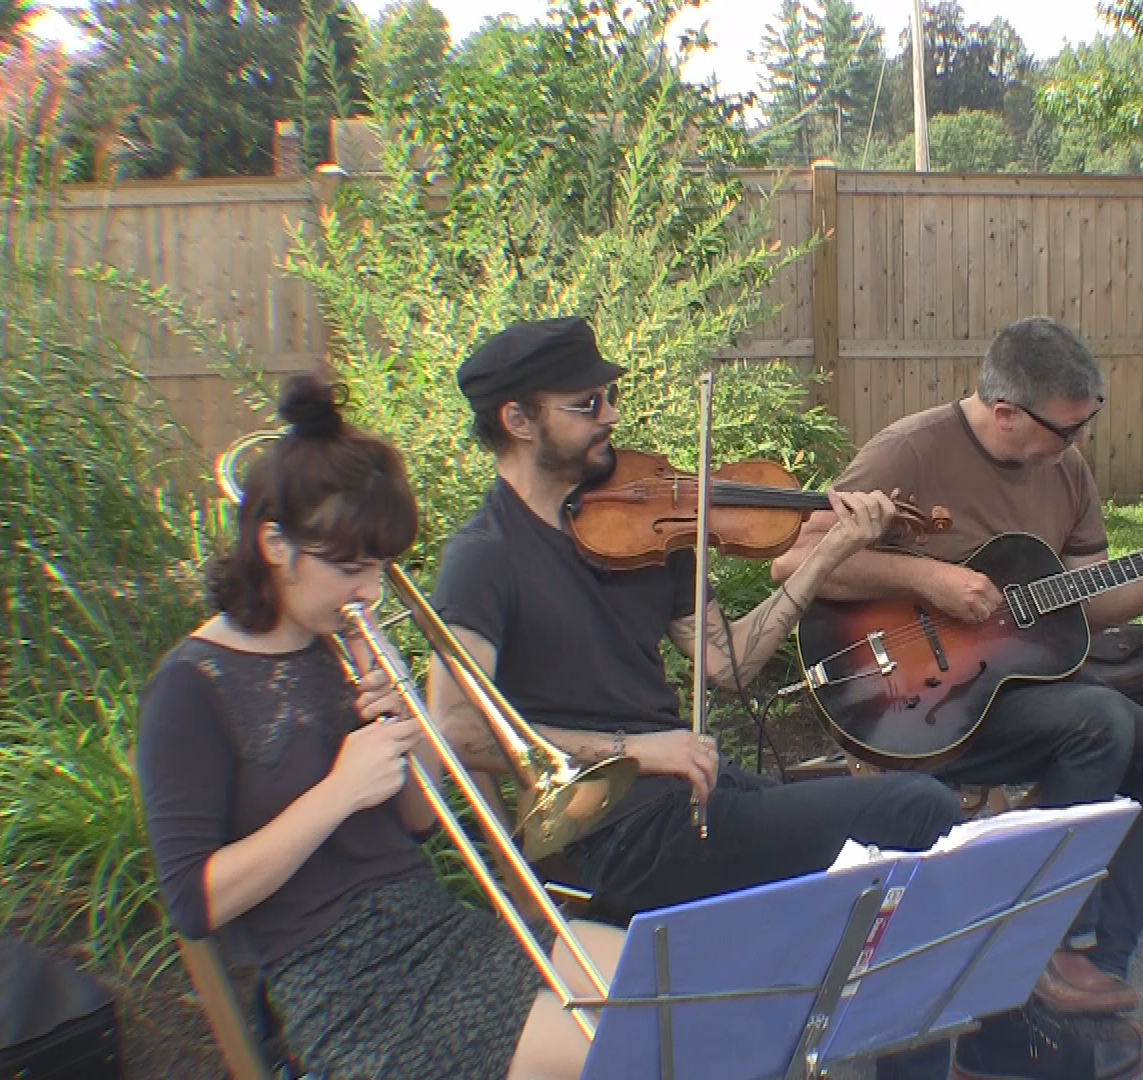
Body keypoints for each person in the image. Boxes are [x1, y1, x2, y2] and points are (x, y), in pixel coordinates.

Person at [770, 315, 1143, 1074]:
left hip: (1008, 688)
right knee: (1098, 720)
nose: (1078, 447)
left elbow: (1093, 601)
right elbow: (795, 565)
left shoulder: (1064, 469)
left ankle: (1087, 974)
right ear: (1006, 413)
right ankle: (1041, 944)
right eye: (1067, 431)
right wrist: (925, 577)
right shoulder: (912, 451)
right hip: (905, 696)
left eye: (1084, 426)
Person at [137, 374, 621, 1080]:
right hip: (347, 993)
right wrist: (337, 791)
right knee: (619, 1054)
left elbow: (419, 818)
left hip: (436, 931)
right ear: (275, 544)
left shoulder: (336, 650)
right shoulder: (190, 687)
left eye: (380, 568)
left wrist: (412, 725)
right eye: (350, 569)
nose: (371, 591)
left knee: (664, 987)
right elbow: (194, 902)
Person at [423, 315, 965, 926]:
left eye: (612, 396)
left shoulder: (652, 521)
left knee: (903, 813)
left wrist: (829, 552)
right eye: (587, 404)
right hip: (612, 827)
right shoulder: (484, 556)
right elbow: (456, 727)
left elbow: (728, 661)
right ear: (517, 422)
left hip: (694, 795)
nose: (610, 416)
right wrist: (633, 752)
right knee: (916, 808)